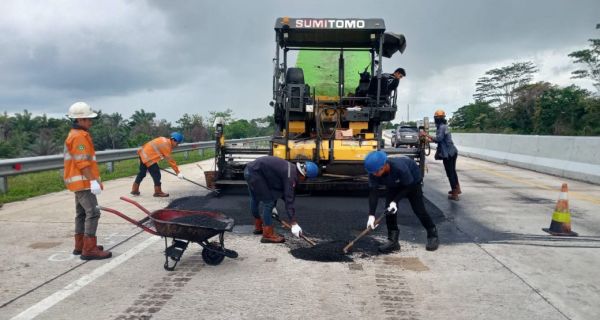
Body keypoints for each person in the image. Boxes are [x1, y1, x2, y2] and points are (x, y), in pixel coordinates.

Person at [364, 150, 439, 253]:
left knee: (419, 210)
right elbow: (373, 192)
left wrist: (395, 201)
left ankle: (432, 235)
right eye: (373, 172)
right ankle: (393, 241)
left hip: (412, 183)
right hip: (393, 184)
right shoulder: (374, 172)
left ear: (385, 165)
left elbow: (409, 186)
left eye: (377, 172)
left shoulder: (400, 167)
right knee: (389, 210)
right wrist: (371, 215)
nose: (375, 174)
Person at [64, 102, 111, 260]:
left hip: (78, 182)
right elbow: (82, 162)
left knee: (81, 213)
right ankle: (89, 249)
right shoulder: (79, 137)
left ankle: (80, 245)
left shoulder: (76, 134)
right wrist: (93, 181)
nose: (91, 122)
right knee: (93, 212)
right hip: (83, 182)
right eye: (88, 119)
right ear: (80, 120)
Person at [244, 156, 318, 243]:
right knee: (269, 203)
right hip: (256, 174)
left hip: (249, 171)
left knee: (255, 198)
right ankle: (267, 235)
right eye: (306, 178)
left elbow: (275, 189)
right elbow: (288, 199)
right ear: (304, 174)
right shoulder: (291, 177)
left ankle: (258, 227)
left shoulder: (291, 168)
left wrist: (274, 207)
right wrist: (294, 223)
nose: (304, 181)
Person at [130, 132, 185, 197]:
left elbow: (155, 150)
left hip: (143, 153)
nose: (177, 145)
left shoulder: (163, 140)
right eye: (177, 143)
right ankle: (158, 192)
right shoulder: (167, 145)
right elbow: (170, 160)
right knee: (156, 174)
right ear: (173, 140)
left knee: (142, 173)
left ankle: (134, 189)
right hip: (149, 157)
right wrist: (177, 172)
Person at [425, 109, 460, 200]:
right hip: (452, 152)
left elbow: (439, 139)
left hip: (448, 154)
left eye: (436, 118)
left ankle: (455, 193)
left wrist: (426, 135)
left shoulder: (441, 127)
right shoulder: (444, 126)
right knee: (452, 171)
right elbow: (441, 140)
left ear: (437, 119)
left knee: (450, 173)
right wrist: (430, 139)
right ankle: (456, 189)